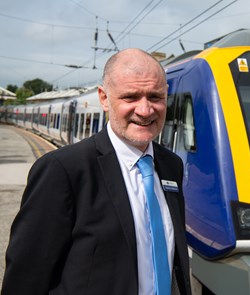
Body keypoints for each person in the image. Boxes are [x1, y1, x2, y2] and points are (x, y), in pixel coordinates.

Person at [1, 48, 191, 295]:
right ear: (104, 98)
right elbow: (26, 277)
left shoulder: (171, 166)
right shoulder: (63, 170)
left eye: (155, 97)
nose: (145, 110)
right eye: (131, 97)